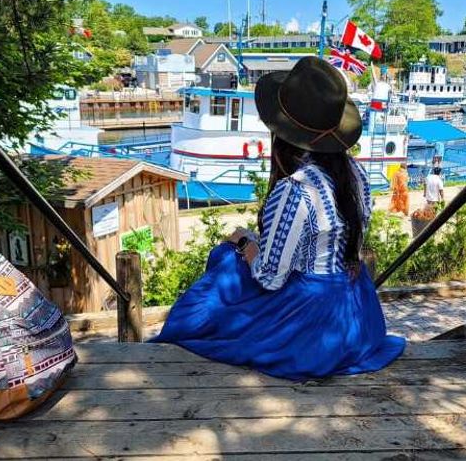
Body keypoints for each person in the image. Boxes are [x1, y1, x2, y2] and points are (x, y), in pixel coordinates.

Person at [150, 56, 405, 381]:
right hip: (357, 315)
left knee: (225, 259)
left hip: (313, 323)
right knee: (239, 253)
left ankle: (179, 339)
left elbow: (270, 278)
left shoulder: (295, 190)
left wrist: (243, 241)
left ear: (282, 132)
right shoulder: (357, 175)